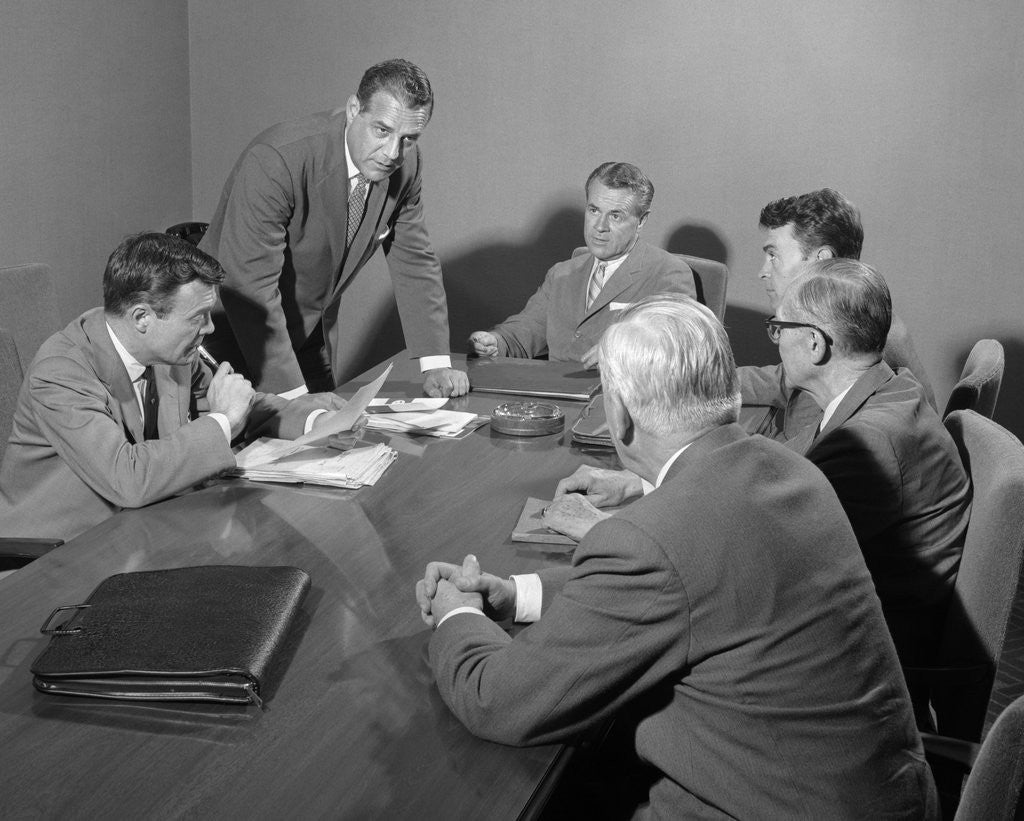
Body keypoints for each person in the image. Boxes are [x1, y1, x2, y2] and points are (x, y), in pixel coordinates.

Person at [417, 296, 937, 819]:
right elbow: (686, 592)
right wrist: (519, 594)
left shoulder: (654, 541)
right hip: (878, 795)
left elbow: (498, 701)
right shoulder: (788, 468)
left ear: (619, 417)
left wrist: (457, 613)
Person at [0, 233, 349, 542]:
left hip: (143, 529)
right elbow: (128, 479)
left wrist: (317, 422)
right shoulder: (61, 372)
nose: (210, 328)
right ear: (142, 318)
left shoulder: (171, 353)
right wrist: (224, 419)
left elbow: (241, 407)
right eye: (198, 317)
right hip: (56, 557)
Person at [200, 58, 468, 399]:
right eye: (382, 130)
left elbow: (415, 260)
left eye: (409, 138)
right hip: (230, 334)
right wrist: (293, 401)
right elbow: (249, 286)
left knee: (334, 428)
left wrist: (436, 363)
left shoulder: (406, 165)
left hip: (309, 333)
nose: (392, 153)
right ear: (354, 110)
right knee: (278, 429)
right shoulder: (277, 159)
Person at [768, 259, 969, 685]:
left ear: (814, 344)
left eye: (778, 327)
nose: (776, 339)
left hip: (859, 661)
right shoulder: (893, 386)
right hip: (872, 619)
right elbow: (792, 460)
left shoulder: (865, 443)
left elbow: (771, 559)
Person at [739, 188, 935, 439]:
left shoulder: (851, 343)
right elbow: (782, 379)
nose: (763, 272)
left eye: (773, 255)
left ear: (822, 260)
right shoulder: (854, 316)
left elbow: (804, 452)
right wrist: (705, 381)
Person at [468, 162, 695, 367]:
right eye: (594, 210)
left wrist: (620, 349)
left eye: (615, 216)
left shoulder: (668, 273)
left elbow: (678, 343)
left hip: (619, 394)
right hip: (554, 392)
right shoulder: (562, 273)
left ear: (641, 221)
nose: (600, 226)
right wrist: (497, 342)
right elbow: (527, 328)